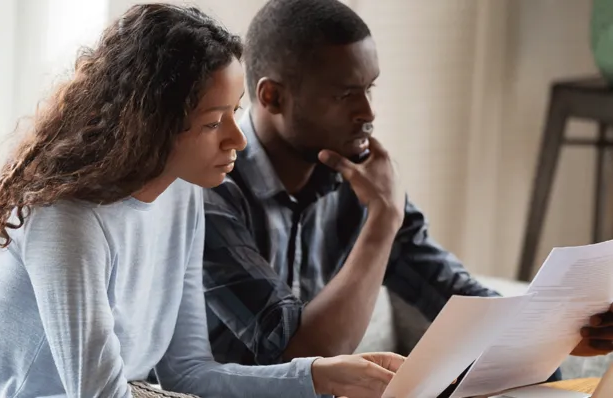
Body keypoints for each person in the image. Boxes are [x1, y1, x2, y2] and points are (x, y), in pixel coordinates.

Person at [0, 4, 406, 398]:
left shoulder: (184, 198)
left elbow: (190, 374)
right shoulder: (65, 221)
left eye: (235, 112)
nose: (237, 140)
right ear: (150, 125)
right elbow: (101, 395)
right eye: (213, 121)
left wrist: (323, 374)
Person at [202, 0, 613, 372]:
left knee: (532, 372)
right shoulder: (211, 190)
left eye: (369, 88)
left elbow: (449, 291)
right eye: (346, 94)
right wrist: (383, 218)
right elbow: (300, 355)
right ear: (272, 97)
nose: (368, 112)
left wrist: (565, 328)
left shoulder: (355, 176)